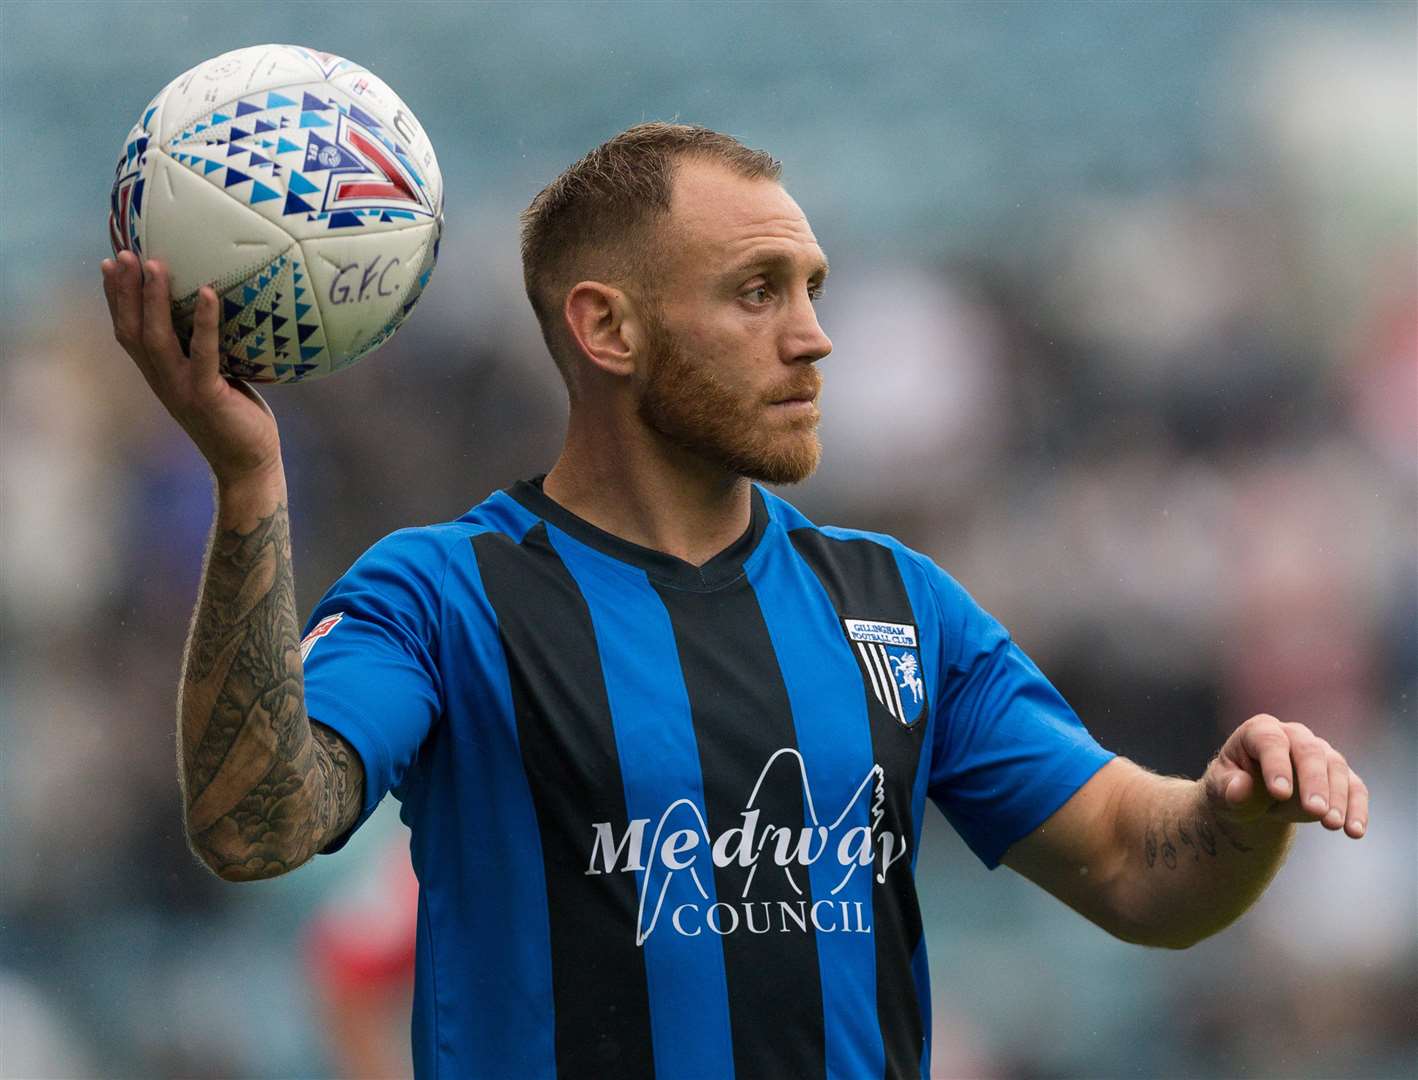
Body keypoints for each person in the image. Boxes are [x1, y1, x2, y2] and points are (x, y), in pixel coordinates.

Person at [101, 122, 1369, 1080]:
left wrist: (1231, 808)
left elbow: (1133, 870)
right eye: (758, 291)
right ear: (606, 328)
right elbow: (256, 826)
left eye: (812, 286)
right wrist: (249, 481)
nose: (814, 336)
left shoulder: (896, 606)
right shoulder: (444, 596)